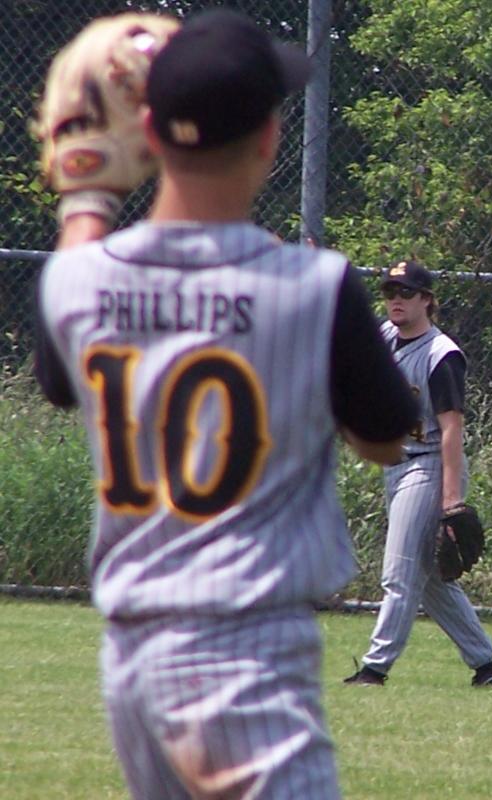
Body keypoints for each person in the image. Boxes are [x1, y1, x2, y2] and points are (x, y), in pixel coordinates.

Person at [33, 9, 420, 800]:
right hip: (244, 652)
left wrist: (86, 193)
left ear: (147, 128)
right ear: (271, 139)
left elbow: (56, 373)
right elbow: (386, 439)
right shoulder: (316, 287)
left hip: (131, 662)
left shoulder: (78, 281)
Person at [343, 260, 492, 688]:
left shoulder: (442, 355)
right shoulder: (385, 337)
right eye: (390, 292)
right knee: (433, 582)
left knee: (398, 573)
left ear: (427, 300)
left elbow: (452, 429)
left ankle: (374, 669)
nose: (396, 300)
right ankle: (488, 667)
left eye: (406, 292)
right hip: (397, 466)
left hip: (429, 463)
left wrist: (451, 499)